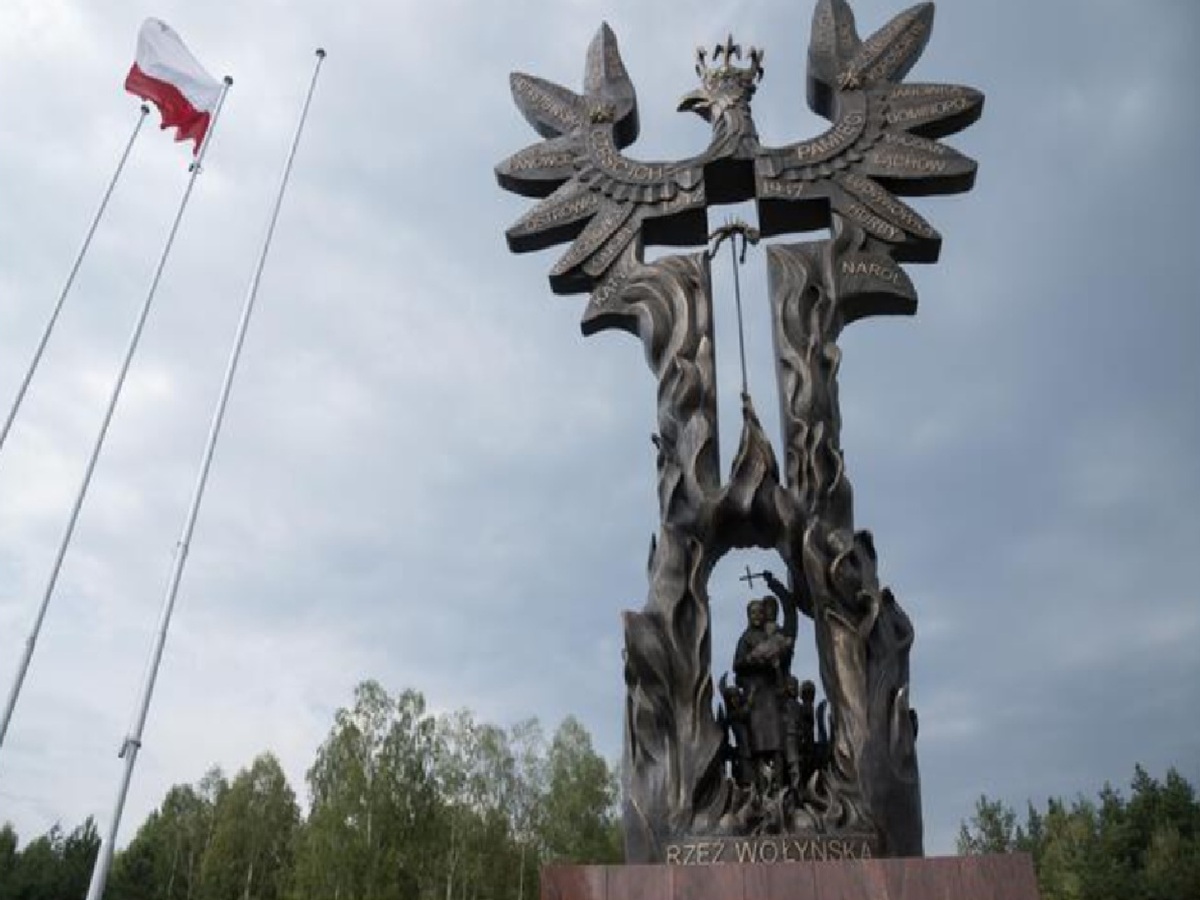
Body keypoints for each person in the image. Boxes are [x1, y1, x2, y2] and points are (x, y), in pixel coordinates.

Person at [733, 599, 788, 779]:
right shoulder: (745, 638)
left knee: (776, 741)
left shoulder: (769, 636)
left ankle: (779, 783)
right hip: (754, 694)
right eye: (753, 613)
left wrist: (776, 660)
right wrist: (751, 659)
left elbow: (781, 661)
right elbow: (737, 664)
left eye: (760, 612)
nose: (757, 616)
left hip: (770, 693)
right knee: (758, 742)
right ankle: (761, 785)